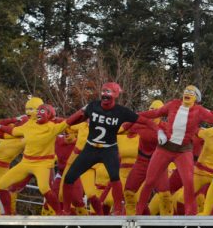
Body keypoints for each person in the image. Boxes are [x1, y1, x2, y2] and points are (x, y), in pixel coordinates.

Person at [135, 85, 213, 216]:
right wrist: (134, 116)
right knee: (150, 180)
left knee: (189, 182)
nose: (188, 93)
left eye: (191, 92)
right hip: (165, 148)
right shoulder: (173, 104)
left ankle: (190, 214)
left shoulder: (200, 111)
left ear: (196, 98)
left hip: (183, 151)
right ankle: (138, 211)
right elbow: (155, 113)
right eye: (186, 91)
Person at [61, 82, 153, 215]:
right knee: (69, 178)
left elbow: (142, 120)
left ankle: (117, 209)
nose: (104, 95)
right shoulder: (92, 106)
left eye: (108, 92)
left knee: (115, 177)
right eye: (103, 92)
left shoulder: (121, 112)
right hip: (90, 148)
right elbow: (74, 120)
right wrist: (68, 122)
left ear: (115, 95)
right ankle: (65, 210)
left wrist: (158, 129)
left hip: (108, 150)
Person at [0, 103, 67, 214]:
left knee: (45, 188)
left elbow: (68, 122)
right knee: (2, 185)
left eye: (39, 110)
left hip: (43, 164)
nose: (36, 112)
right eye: (35, 110)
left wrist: (84, 112)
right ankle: (8, 214)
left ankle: (59, 213)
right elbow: (13, 131)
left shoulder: (52, 127)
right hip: (26, 162)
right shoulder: (28, 123)